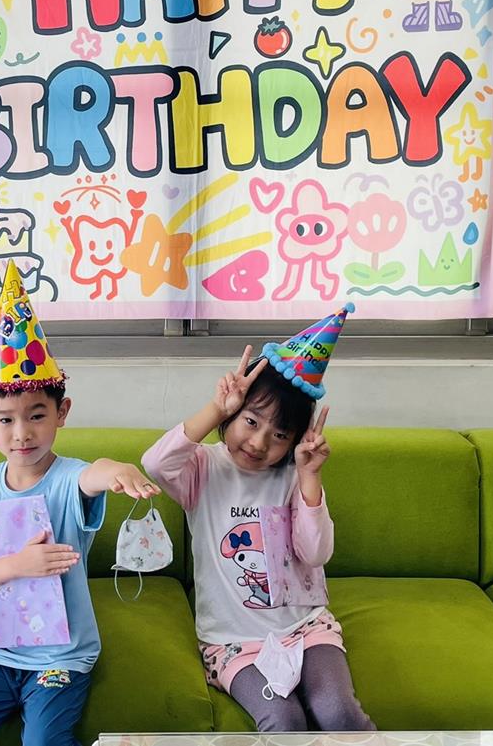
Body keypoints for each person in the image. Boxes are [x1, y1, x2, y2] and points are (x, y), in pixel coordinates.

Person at [0, 260, 159, 746]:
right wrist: (17, 565)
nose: (22, 433)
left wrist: (115, 469)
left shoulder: (65, 479)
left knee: (43, 741)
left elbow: (90, 476)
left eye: (37, 415)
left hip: (61, 657)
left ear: (62, 413)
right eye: (6, 420)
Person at [142, 305, 375, 733]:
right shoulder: (202, 469)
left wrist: (310, 477)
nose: (259, 441)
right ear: (233, 415)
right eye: (250, 421)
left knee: (338, 713)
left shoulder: (293, 476)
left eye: (280, 434)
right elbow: (155, 463)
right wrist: (216, 408)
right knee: (283, 721)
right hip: (233, 643)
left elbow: (316, 553)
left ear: (295, 441)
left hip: (307, 628)